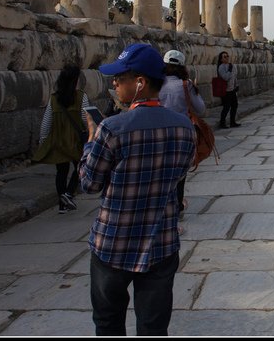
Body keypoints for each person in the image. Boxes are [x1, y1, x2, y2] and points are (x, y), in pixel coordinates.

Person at [79, 43, 195, 336]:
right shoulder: (184, 127)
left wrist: (92, 139)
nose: (114, 83)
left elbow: (89, 183)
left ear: (140, 83)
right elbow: (179, 175)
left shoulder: (112, 128)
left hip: (113, 245)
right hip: (161, 242)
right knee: (154, 327)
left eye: (121, 77)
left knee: (108, 322)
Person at [32, 64, 90, 214]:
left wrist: (43, 141)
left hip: (58, 141)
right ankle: (69, 194)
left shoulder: (54, 99)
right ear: (76, 80)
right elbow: (86, 119)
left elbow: (46, 122)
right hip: (75, 140)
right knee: (81, 168)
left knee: (61, 172)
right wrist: (91, 134)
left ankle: (62, 204)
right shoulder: (81, 97)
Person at [159, 49, 206, 227]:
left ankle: (162, 206)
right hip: (181, 134)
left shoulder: (155, 84)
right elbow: (200, 110)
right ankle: (177, 208)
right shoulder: (186, 85)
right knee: (180, 172)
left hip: (158, 133)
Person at [217, 50, 240, 128]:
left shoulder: (232, 66)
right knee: (226, 107)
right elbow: (225, 77)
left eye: (227, 56)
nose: (227, 58)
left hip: (232, 89)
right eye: (225, 56)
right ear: (221, 59)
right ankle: (222, 123)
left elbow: (235, 76)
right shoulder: (221, 67)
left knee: (234, 105)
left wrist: (237, 85)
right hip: (226, 90)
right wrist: (229, 70)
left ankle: (232, 122)